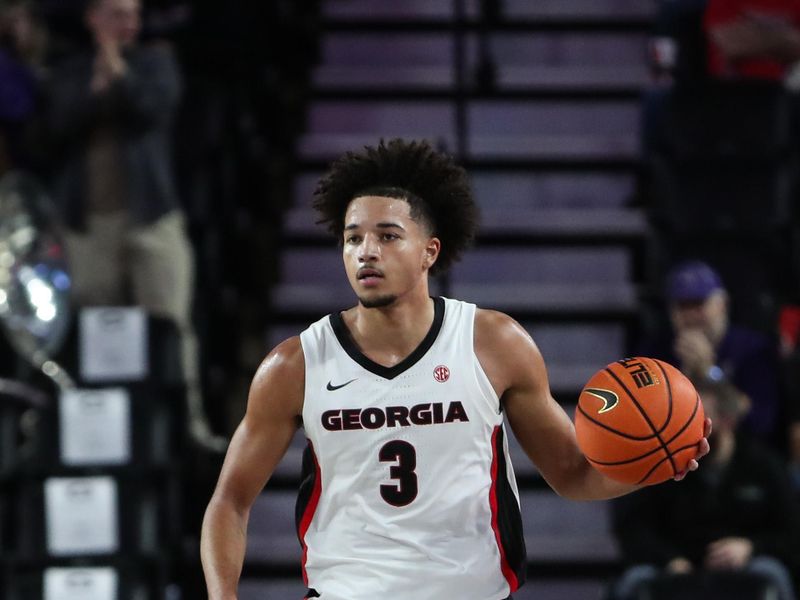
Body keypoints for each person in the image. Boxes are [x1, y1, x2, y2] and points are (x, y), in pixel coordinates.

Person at [200, 139, 711, 600]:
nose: (366, 252)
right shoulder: (295, 364)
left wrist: (650, 463)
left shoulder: (494, 343)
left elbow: (574, 475)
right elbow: (230, 501)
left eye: (387, 235)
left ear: (430, 252)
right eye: (352, 238)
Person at [45, 0, 223, 450]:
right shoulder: (69, 70)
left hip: (152, 217)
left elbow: (149, 107)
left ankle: (188, 428)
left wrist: (114, 74)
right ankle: (100, 438)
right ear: (91, 18)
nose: (129, 24)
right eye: (116, 13)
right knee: (93, 331)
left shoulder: (157, 63)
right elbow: (56, 123)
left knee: (171, 322)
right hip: (87, 225)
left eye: (134, 14)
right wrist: (98, 84)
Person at [607, 377, 799, 600]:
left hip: (743, 566)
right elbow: (633, 527)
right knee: (636, 579)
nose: (688, 429)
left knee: (771, 573)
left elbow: (792, 532)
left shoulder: (764, 465)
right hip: (677, 565)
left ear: (727, 420)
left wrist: (751, 547)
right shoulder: (665, 465)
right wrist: (669, 559)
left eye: (699, 421)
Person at [638, 260, 782, 446]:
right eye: (682, 306)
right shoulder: (656, 352)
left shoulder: (753, 348)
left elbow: (760, 420)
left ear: (722, 304)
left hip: (742, 450)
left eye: (698, 304)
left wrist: (709, 372)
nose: (690, 315)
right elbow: (643, 417)